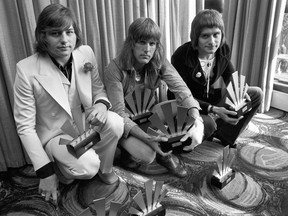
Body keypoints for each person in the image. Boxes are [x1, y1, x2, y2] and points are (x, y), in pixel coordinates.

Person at [13, 4, 123, 205]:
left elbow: (98, 88)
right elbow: (25, 127)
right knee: (87, 169)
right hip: (56, 134)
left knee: (116, 122)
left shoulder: (85, 53)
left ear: (76, 34)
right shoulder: (26, 69)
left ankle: (105, 169)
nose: (64, 40)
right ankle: (65, 169)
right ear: (43, 36)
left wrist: (100, 105)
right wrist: (45, 173)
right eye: (55, 33)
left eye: (69, 32)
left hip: (84, 122)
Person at [103, 17, 208, 178]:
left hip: (148, 115)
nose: (147, 49)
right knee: (147, 155)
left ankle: (164, 153)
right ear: (131, 43)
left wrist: (196, 117)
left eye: (152, 44)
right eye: (142, 42)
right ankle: (125, 149)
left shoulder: (158, 61)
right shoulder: (114, 69)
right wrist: (147, 138)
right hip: (125, 124)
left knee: (185, 109)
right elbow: (119, 115)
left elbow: (180, 88)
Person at [168, 9, 263, 148]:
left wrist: (240, 90)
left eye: (216, 34)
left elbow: (230, 76)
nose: (212, 42)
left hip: (210, 97)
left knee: (255, 94)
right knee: (206, 127)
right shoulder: (181, 55)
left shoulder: (223, 49)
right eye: (205, 36)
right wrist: (213, 109)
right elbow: (176, 95)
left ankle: (226, 135)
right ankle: (210, 127)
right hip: (187, 105)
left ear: (221, 34)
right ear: (196, 37)